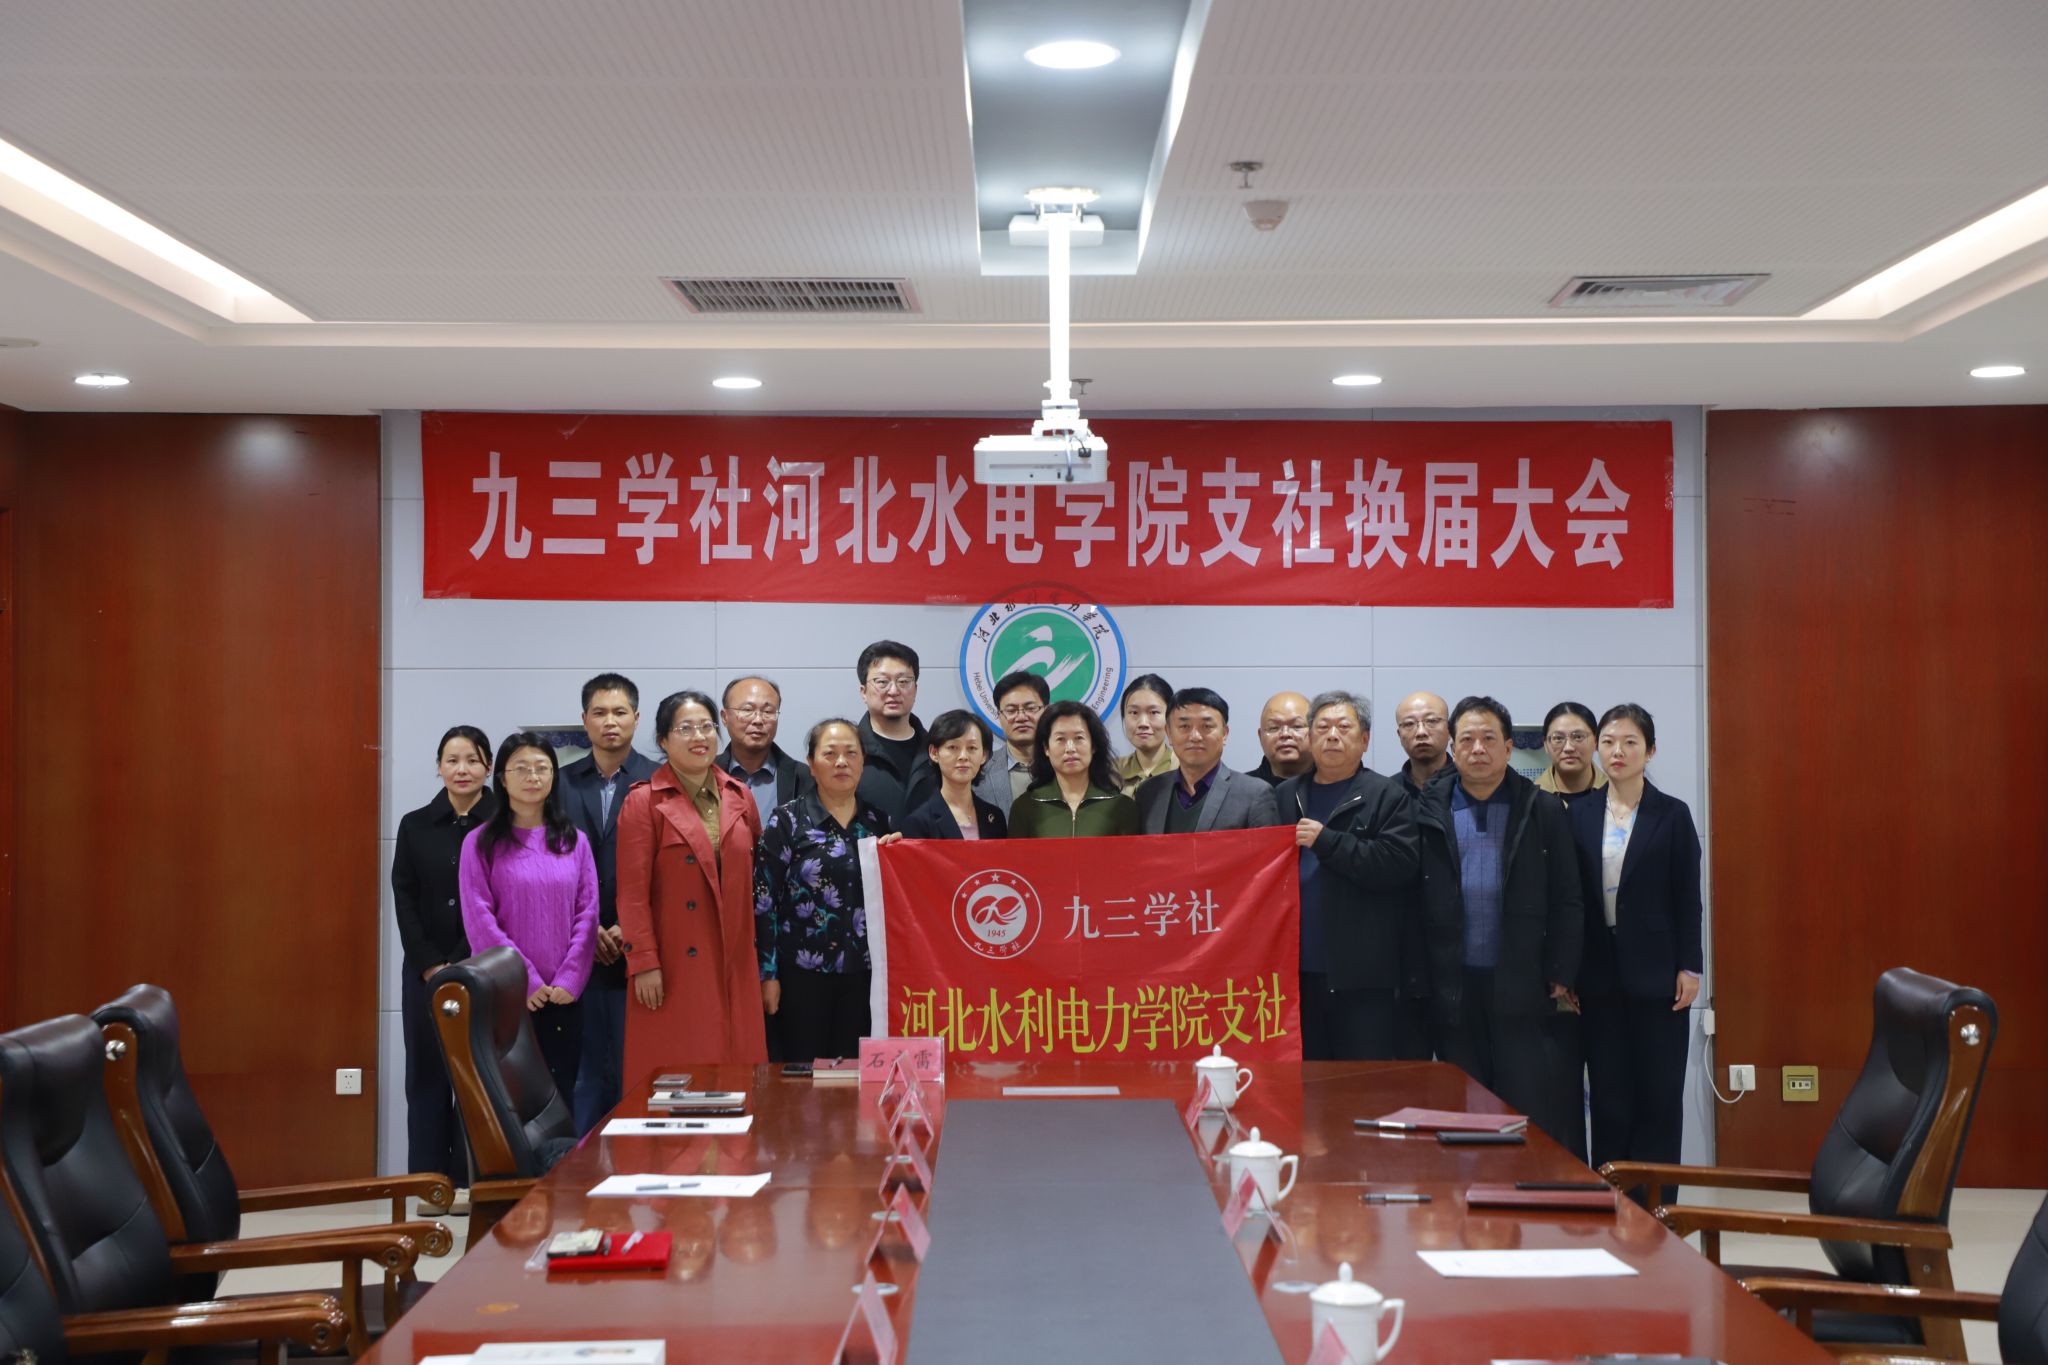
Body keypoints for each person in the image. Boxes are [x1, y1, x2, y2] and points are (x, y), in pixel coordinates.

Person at [1413, 698, 1584, 1153]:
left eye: (1489, 738)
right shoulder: (1429, 809)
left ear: (1508, 748)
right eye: (1467, 739)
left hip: (1521, 980)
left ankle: (1516, 1190)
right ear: (1453, 748)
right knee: (1464, 1104)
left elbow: (1568, 897)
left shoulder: (1541, 808)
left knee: (1523, 1103)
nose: (1478, 749)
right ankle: (1468, 1190)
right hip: (1452, 984)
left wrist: (1561, 970)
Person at [1569, 704, 1701, 1196]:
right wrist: (1568, 970)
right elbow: (1572, 900)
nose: (1617, 752)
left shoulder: (1673, 814)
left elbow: (1688, 897)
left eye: (1629, 742)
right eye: (1608, 742)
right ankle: (1613, 1202)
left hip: (1659, 976)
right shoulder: (1580, 813)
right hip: (1598, 976)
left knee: (1659, 1097)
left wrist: (1691, 966)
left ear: (1651, 750)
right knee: (1609, 1098)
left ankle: (1659, 1208)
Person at [616, 691, 768, 1091]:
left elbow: (758, 882)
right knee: (678, 1076)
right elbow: (631, 894)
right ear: (663, 740)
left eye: (706, 726)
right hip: (673, 963)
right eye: (685, 728)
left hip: (735, 958)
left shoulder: (739, 795)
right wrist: (643, 962)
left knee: (738, 1075)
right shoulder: (644, 802)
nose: (699, 736)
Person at [1274, 693, 1423, 1060]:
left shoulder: (1387, 795)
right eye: (1322, 727)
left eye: (1344, 727)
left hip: (1363, 976)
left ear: (1365, 740)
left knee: (1361, 1082)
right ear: (1310, 737)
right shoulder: (1284, 795)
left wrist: (1328, 842)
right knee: (1305, 1079)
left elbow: (1398, 864)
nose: (1332, 736)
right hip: (1294, 973)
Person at [459, 732, 600, 1101]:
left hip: (564, 996)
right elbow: (479, 920)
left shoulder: (575, 841)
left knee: (563, 1099)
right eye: (521, 768)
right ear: (502, 779)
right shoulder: (480, 842)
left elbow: (587, 913)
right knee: (510, 1104)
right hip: (506, 996)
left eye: (542, 768)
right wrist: (523, 980)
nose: (533, 776)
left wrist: (570, 978)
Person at [391, 724, 495, 1208]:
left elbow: (499, 898)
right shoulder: (414, 825)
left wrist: (463, 956)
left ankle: (470, 1182)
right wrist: (432, 962)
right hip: (424, 973)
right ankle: (429, 1185)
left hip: (484, 969)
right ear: (438, 767)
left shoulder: (504, 824)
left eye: (472, 760)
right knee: (427, 1078)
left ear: (488, 767)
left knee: (476, 1079)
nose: (462, 769)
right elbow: (404, 896)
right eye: (452, 760)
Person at [755, 719, 893, 1060]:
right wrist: (768, 975)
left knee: (854, 1072)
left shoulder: (878, 823)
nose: (841, 762)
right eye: (830, 754)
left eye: (851, 753)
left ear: (863, 762)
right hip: (801, 976)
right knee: (802, 1072)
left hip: (864, 975)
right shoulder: (786, 821)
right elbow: (764, 903)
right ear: (812, 764)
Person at [557, 673, 658, 1134]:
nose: (610, 722)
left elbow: (666, 870)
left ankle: (636, 1161)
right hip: (574, 949)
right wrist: (588, 926)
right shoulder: (559, 783)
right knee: (583, 1076)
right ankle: (580, 1165)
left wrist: (630, 926)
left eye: (620, 712)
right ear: (584, 720)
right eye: (599, 713)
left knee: (636, 1073)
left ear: (636, 717)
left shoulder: (659, 780)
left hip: (642, 952)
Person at [1133, 688, 1281, 833]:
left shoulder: (1254, 794)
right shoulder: (1148, 792)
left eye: (1206, 726)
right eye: (1184, 726)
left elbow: (1267, 850)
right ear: (1169, 734)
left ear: (1224, 734)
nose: (1195, 736)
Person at [1011, 701, 1140, 838]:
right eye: (1060, 739)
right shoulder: (1025, 807)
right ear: (1046, 748)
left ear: (1093, 746)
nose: (1070, 748)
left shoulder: (1121, 806)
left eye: (1079, 738)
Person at [852, 640, 937, 822]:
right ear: (863, 692)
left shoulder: (937, 750)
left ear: (915, 689)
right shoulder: (849, 752)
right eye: (882, 682)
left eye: (904, 681)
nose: (893, 690)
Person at [717, 675, 814, 822]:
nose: (758, 720)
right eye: (747, 709)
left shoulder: (804, 777)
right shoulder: (706, 774)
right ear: (725, 717)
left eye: (768, 712)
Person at [902, 710, 1008, 840]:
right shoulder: (919, 823)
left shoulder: (995, 817)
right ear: (934, 753)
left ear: (984, 755)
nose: (963, 756)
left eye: (972, 748)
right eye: (953, 747)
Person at [973, 670, 1046, 814]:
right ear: (999, 716)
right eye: (1011, 710)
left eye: (1030, 708)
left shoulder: (1067, 767)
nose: (1021, 717)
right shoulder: (978, 772)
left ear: (1046, 711)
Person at [1111, 674, 1178, 796]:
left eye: (1153, 712)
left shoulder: (1186, 771)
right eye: (1134, 712)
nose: (1143, 723)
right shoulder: (1110, 772)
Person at [1536, 701, 1608, 809]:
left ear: (1596, 742)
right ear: (1546, 745)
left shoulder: (1616, 793)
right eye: (1558, 738)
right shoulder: (1531, 799)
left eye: (1578, 737)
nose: (1568, 748)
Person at [1392, 691, 1453, 800]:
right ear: (1399, 735)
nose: (1421, 732)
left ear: (1449, 730)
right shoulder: (1388, 793)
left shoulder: (1469, 786)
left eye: (1432, 721)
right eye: (1409, 723)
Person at [1249, 691, 1314, 786]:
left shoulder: (1335, 785)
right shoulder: (1242, 789)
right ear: (1260, 736)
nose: (1285, 734)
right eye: (1274, 728)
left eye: (1297, 726)